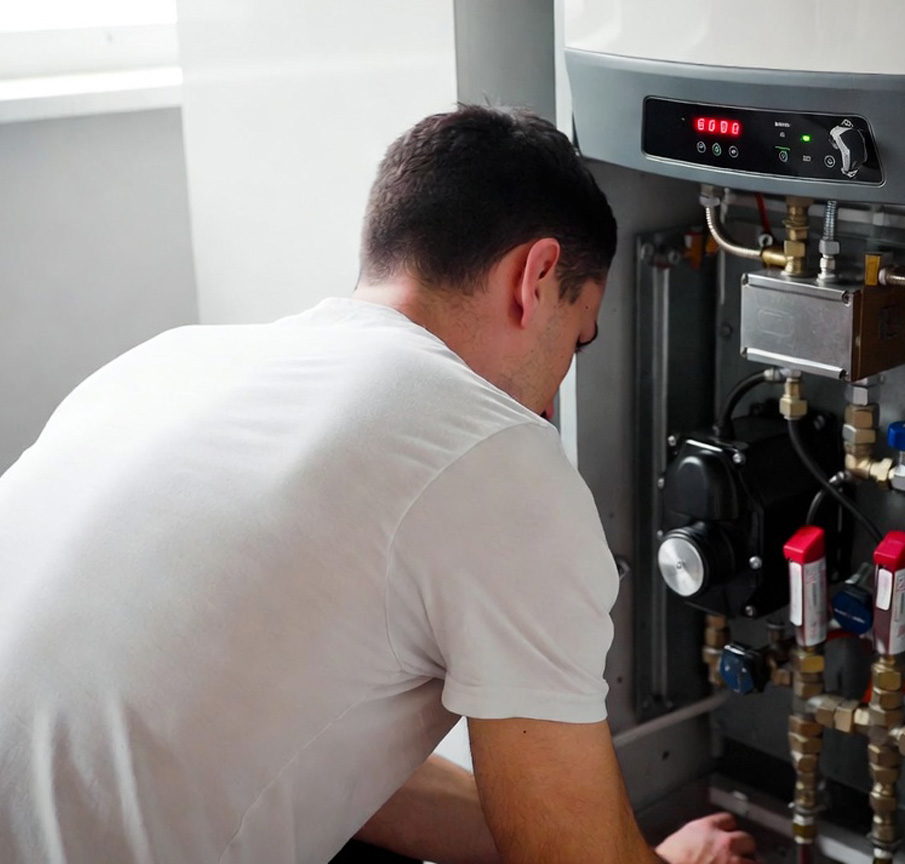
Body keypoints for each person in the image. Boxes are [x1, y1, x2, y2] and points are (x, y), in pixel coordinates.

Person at [0, 105, 756, 864]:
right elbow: (567, 856)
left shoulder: (165, 363)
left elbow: (334, 776)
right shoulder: (494, 451)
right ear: (535, 278)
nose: (557, 388)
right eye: (577, 336)